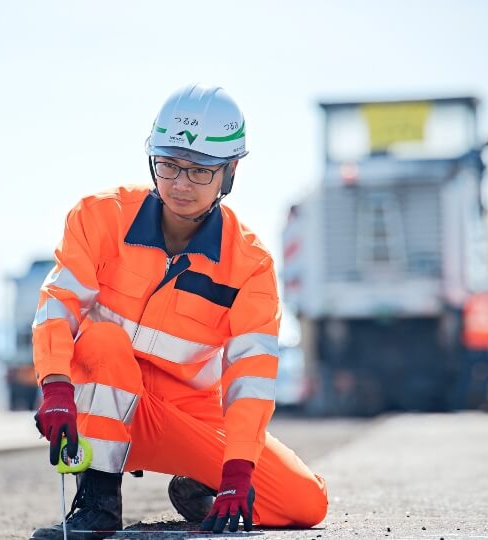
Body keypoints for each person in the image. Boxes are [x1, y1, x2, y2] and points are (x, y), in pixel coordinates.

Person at [29, 84, 328, 539]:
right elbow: (58, 306)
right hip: (100, 406)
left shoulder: (249, 264)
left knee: (303, 503)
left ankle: (200, 483)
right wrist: (54, 385)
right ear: (152, 159)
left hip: (182, 417)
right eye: (168, 165)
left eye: (200, 171)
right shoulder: (98, 217)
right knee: (101, 337)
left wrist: (236, 469)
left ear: (230, 172)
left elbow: (252, 372)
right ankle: (96, 503)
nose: (180, 183)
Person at [455, 289, 488, 410]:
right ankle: (485, 401)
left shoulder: (470, 302)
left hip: (472, 345)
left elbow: (460, 325)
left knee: (468, 376)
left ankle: (463, 403)